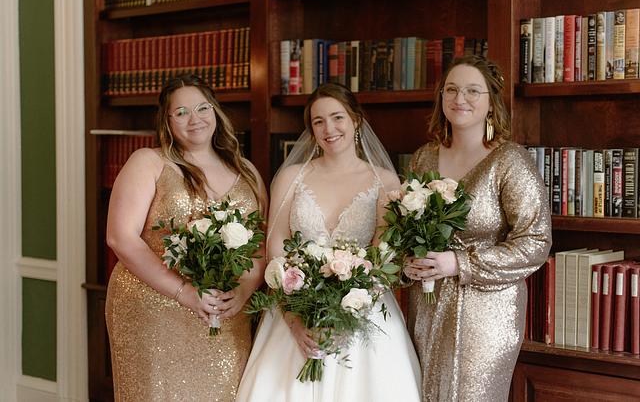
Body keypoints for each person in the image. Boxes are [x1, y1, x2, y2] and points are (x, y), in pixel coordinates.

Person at [236, 83, 421, 401]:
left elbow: (384, 256)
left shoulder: (384, 181)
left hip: (364, 312)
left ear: (355, 120)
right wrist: (295, 319)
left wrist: (348, 313)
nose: (329, 129)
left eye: (337, 118)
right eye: (318, 121)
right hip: (294, 308)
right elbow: (276, 246)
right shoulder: (291, 177)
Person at [105, 74, 267, 401]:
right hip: (155, 308)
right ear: (167, 122)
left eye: (202, 108)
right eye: (181, 112)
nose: (195, 119)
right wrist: (184, 292)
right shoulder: (149, 162)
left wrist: (244, 289)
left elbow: (261, 242)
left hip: (226, 312)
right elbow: (120, 238)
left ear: (215, 111)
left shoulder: (246, 170)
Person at [403, 55, 552, 401]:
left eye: (473, 90)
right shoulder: (423, 158)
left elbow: (535, 241)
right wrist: (409, 262)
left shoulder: (510, 161)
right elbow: (407, 228)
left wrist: (459, 262)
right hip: (427, 304)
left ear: (490, 102)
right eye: (451, 90)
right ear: (441, 98)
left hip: (486, 311)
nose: (460, 99)